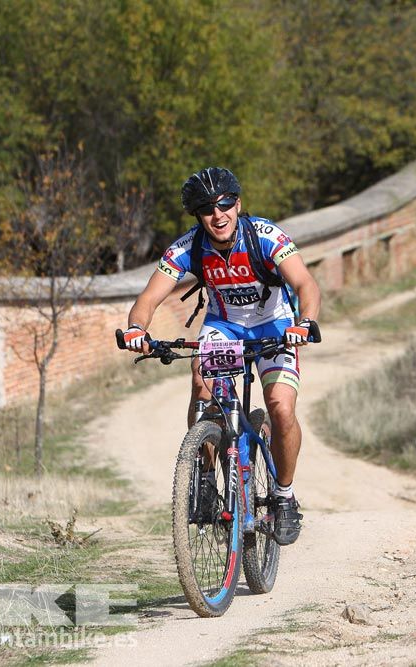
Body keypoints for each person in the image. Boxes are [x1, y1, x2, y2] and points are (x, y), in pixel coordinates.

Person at [120, 167, 320, 546]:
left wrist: (305, 322)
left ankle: (283, 495)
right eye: (208, 209)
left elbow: (305, 283)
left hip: (275, 326)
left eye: (225, 203)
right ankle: (207, 477)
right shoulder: (188, 247)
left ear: (238, 203)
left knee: (279, 406)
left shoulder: (265, 236)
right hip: (224, 326)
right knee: (201, 384)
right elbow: (148, 298)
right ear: (198, 216)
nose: (219, 214)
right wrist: (136, 329)